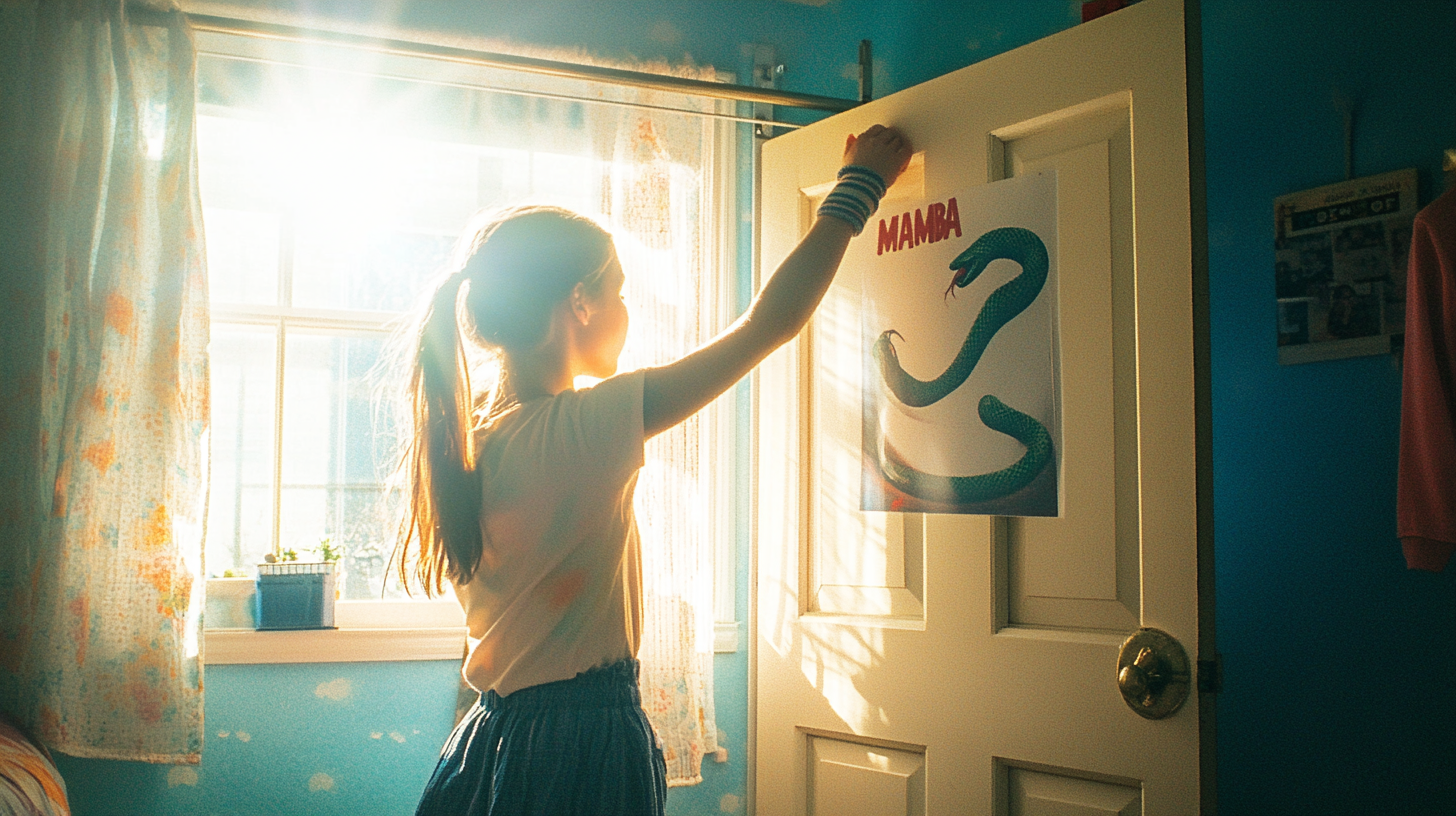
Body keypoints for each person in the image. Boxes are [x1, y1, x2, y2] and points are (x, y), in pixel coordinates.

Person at [394, 124, 911, 816]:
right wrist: (858, 187)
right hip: (577, 739)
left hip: (493, 737)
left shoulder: (477, 437)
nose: (627, 309)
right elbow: (767, 326)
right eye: (620, 291)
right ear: (579, 302)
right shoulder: (580, 428)